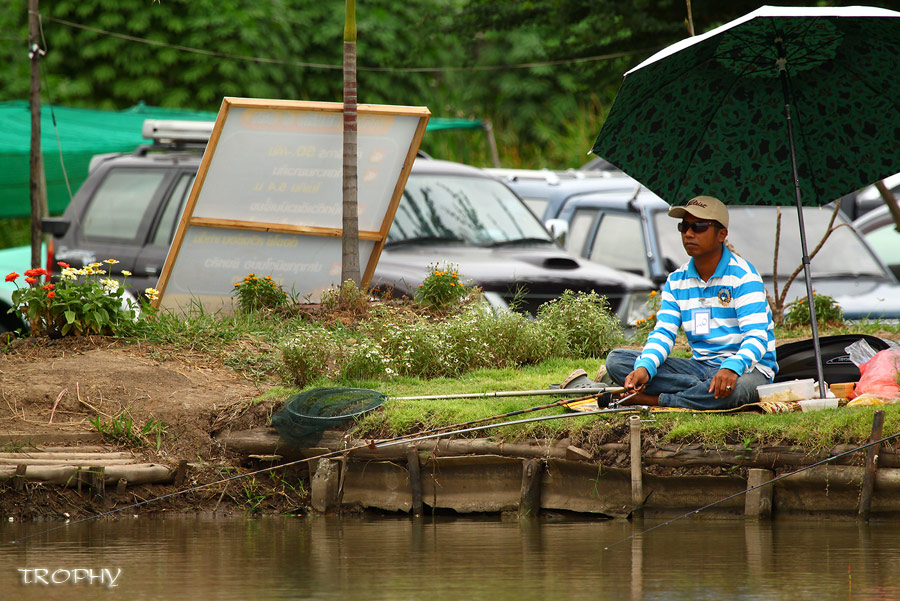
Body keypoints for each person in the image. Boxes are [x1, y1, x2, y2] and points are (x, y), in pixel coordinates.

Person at [605, 195, 777, 410]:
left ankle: (654, 399)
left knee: (736, 390)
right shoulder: (676, 280)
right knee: (617, 361)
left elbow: (757, 337)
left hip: (748, 370)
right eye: (684, 226)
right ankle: (700, 391)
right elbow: (664, 333)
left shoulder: (744, 277)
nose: (688, 233)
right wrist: (645, 368)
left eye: (699, 227)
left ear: (721, 234)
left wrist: (732, 368)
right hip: (699, 369)